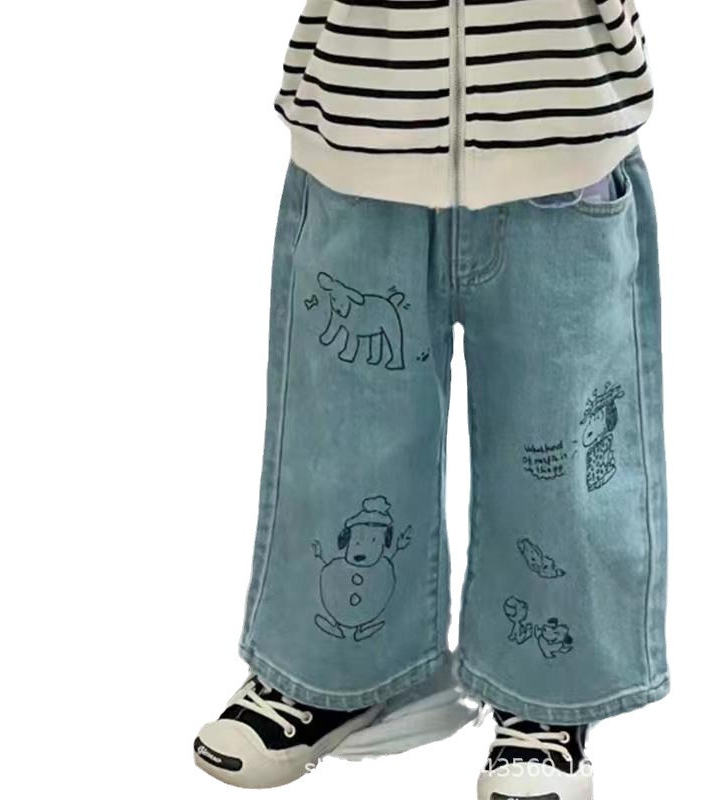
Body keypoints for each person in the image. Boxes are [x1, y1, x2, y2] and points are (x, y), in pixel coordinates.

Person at [193, 2, 668, 797]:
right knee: (343, 438)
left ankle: (546, 697)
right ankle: (340, 671)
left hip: (558, 123)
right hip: (362, 126)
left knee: (558, 450)